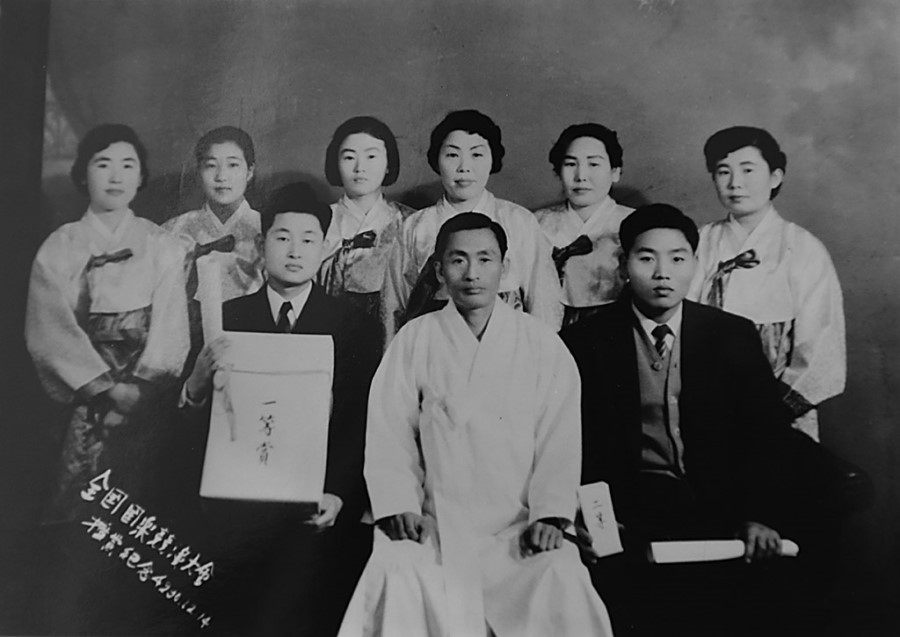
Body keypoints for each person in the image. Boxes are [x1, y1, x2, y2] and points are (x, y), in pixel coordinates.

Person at [340, 213, 613, 637]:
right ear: (439, 270)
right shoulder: (415, 339)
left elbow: (559, 439)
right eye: (458, 260)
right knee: (397, 570)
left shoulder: (541, 343)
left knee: (560, 573)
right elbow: (390, 431)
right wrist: (401, 505)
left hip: (518, 526)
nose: (472, 273)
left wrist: (550, 515)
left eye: (485, 259)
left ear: (506, 266)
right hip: (434, 523)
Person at [561, 204, 811, 636]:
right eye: (646, 258)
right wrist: (594, 520)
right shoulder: (585, 341)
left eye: (677, 259)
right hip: (631, 512)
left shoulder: (731, 334)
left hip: (720, 506)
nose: (663, 273)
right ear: (623, 265)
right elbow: (573, 444)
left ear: (695, 264)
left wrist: (759, 515)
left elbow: (767, 436)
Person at [181, 182, 382, 636]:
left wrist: (339, 494)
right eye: (283, 237)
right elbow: (191, 427)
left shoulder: (356, 327)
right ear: (261, 243)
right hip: (237, 508)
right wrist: (195, 384)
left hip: (318, 506)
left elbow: (360, 423)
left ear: (324, 248)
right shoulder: (226, 318)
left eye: (308, 239)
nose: (295, 251)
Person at [25, 123, 189, 633]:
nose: (115, 176)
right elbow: (49, 330)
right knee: (76, 518)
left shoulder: (161, 244)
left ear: (141, 177)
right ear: (83, 175)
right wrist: (106, 389)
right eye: (103, 164)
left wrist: (139, 389)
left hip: (146, 400)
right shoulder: (60, 246)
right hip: (82, 400)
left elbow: (172, 326)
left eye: (127, 165)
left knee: (144, 513)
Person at [688, 126, 845, 441]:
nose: (735, 183)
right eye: (723, 171)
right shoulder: (700, 241)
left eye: (748, 170)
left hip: (778, 412)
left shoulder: (802, 247)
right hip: (706, 403)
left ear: (775, 177)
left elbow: (821, 348)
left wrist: (774, 409)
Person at [380, 109, 562, 342]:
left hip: (508, 346)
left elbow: (544, 305)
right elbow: (393, 308)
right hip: (434, 346)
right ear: (437, 160)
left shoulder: (519, 221)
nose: (464, 167)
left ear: (492, 159)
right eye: (452, 155)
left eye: (477, 154)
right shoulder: (415, 227)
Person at [163, 126, 265, 368]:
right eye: (211, 166)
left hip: (252, 346)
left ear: (250, 171)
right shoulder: (173, 230)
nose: (221, 176)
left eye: (233, 165)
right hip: (184, 348)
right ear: (199, 171)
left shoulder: (266, 230)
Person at [318, 116, 413, 338]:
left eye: (371, 156)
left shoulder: (410, 222)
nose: (360, 168)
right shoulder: (316, 220)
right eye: (349, 157)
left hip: (393, 335)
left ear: (388, 164)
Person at [534, 123, 633, 326]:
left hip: (615, 327)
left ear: (615, 172)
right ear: (558, 171)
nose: (581, 176)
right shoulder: (536, 223)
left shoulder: (633, 223)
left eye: (594, 164)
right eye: (571, 164)